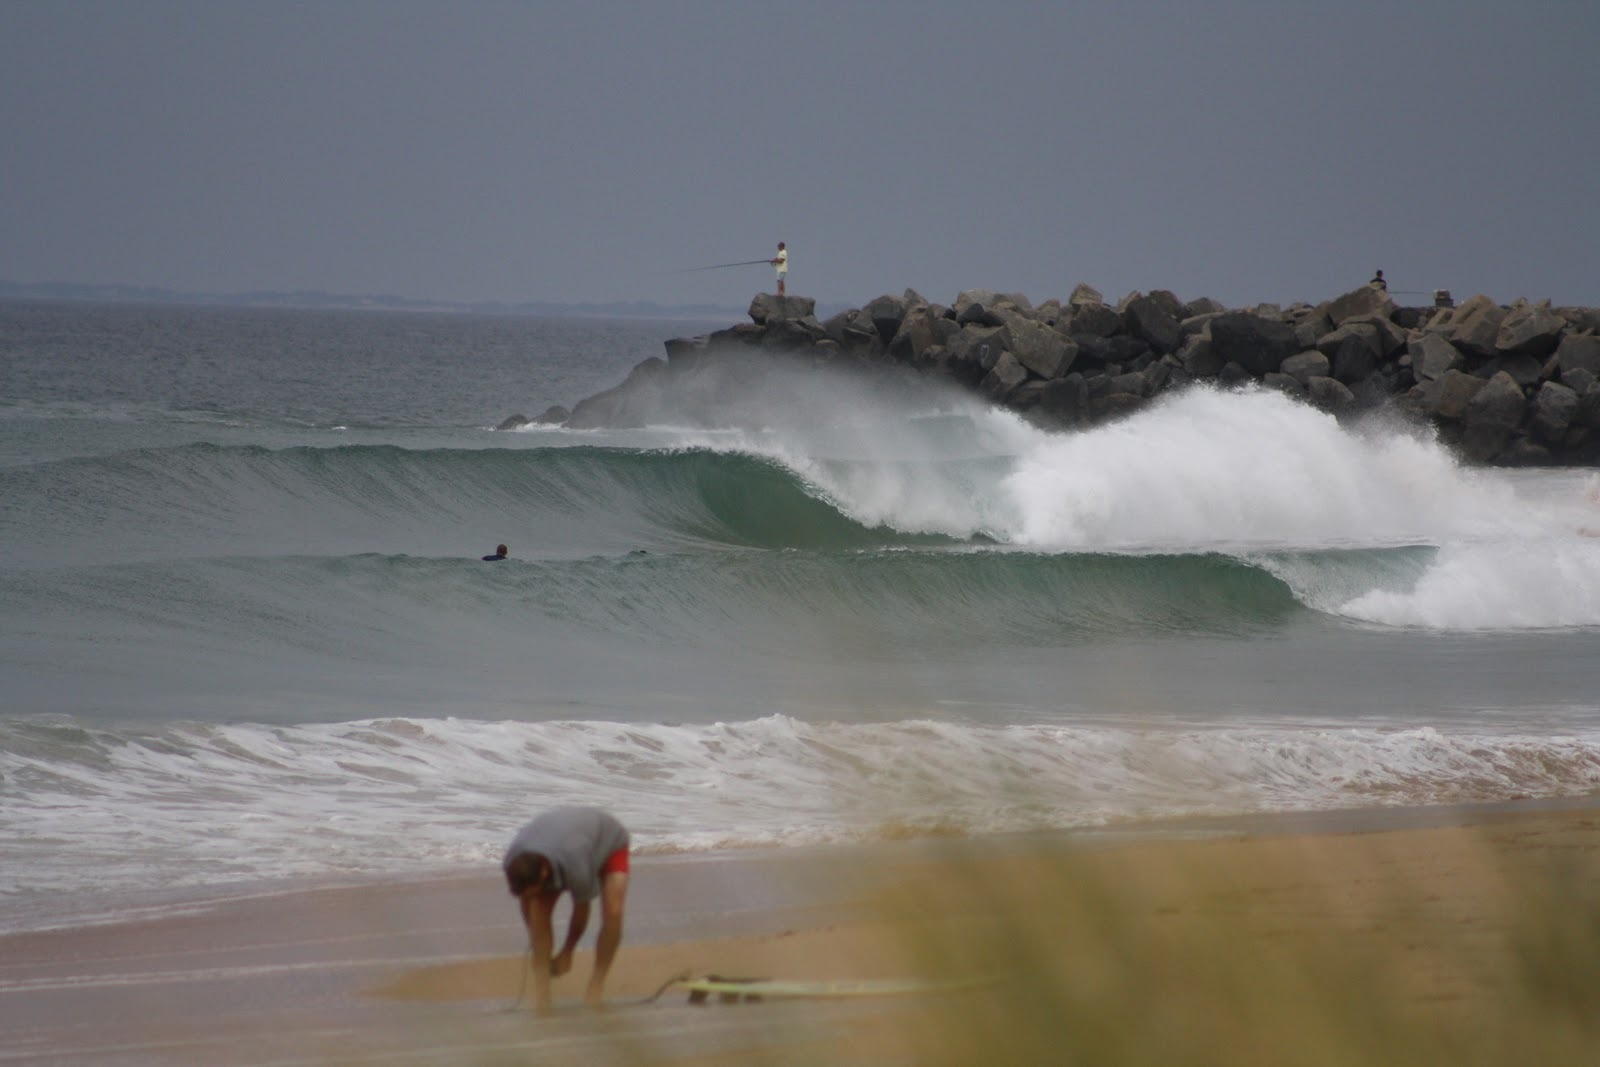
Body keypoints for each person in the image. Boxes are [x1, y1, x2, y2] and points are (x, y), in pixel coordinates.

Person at [503, 807, 631, 1010]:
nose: (532, 896)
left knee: (613, 911)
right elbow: (527, 904)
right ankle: (542, 995)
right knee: (538, 915)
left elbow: (581, 909)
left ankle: (596, 984)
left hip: (608, 842)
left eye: (534, 891)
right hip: (559, 841)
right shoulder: (513, 859)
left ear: (544, 873)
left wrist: (567, 952)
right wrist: (540, 946)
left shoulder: (576, 866)